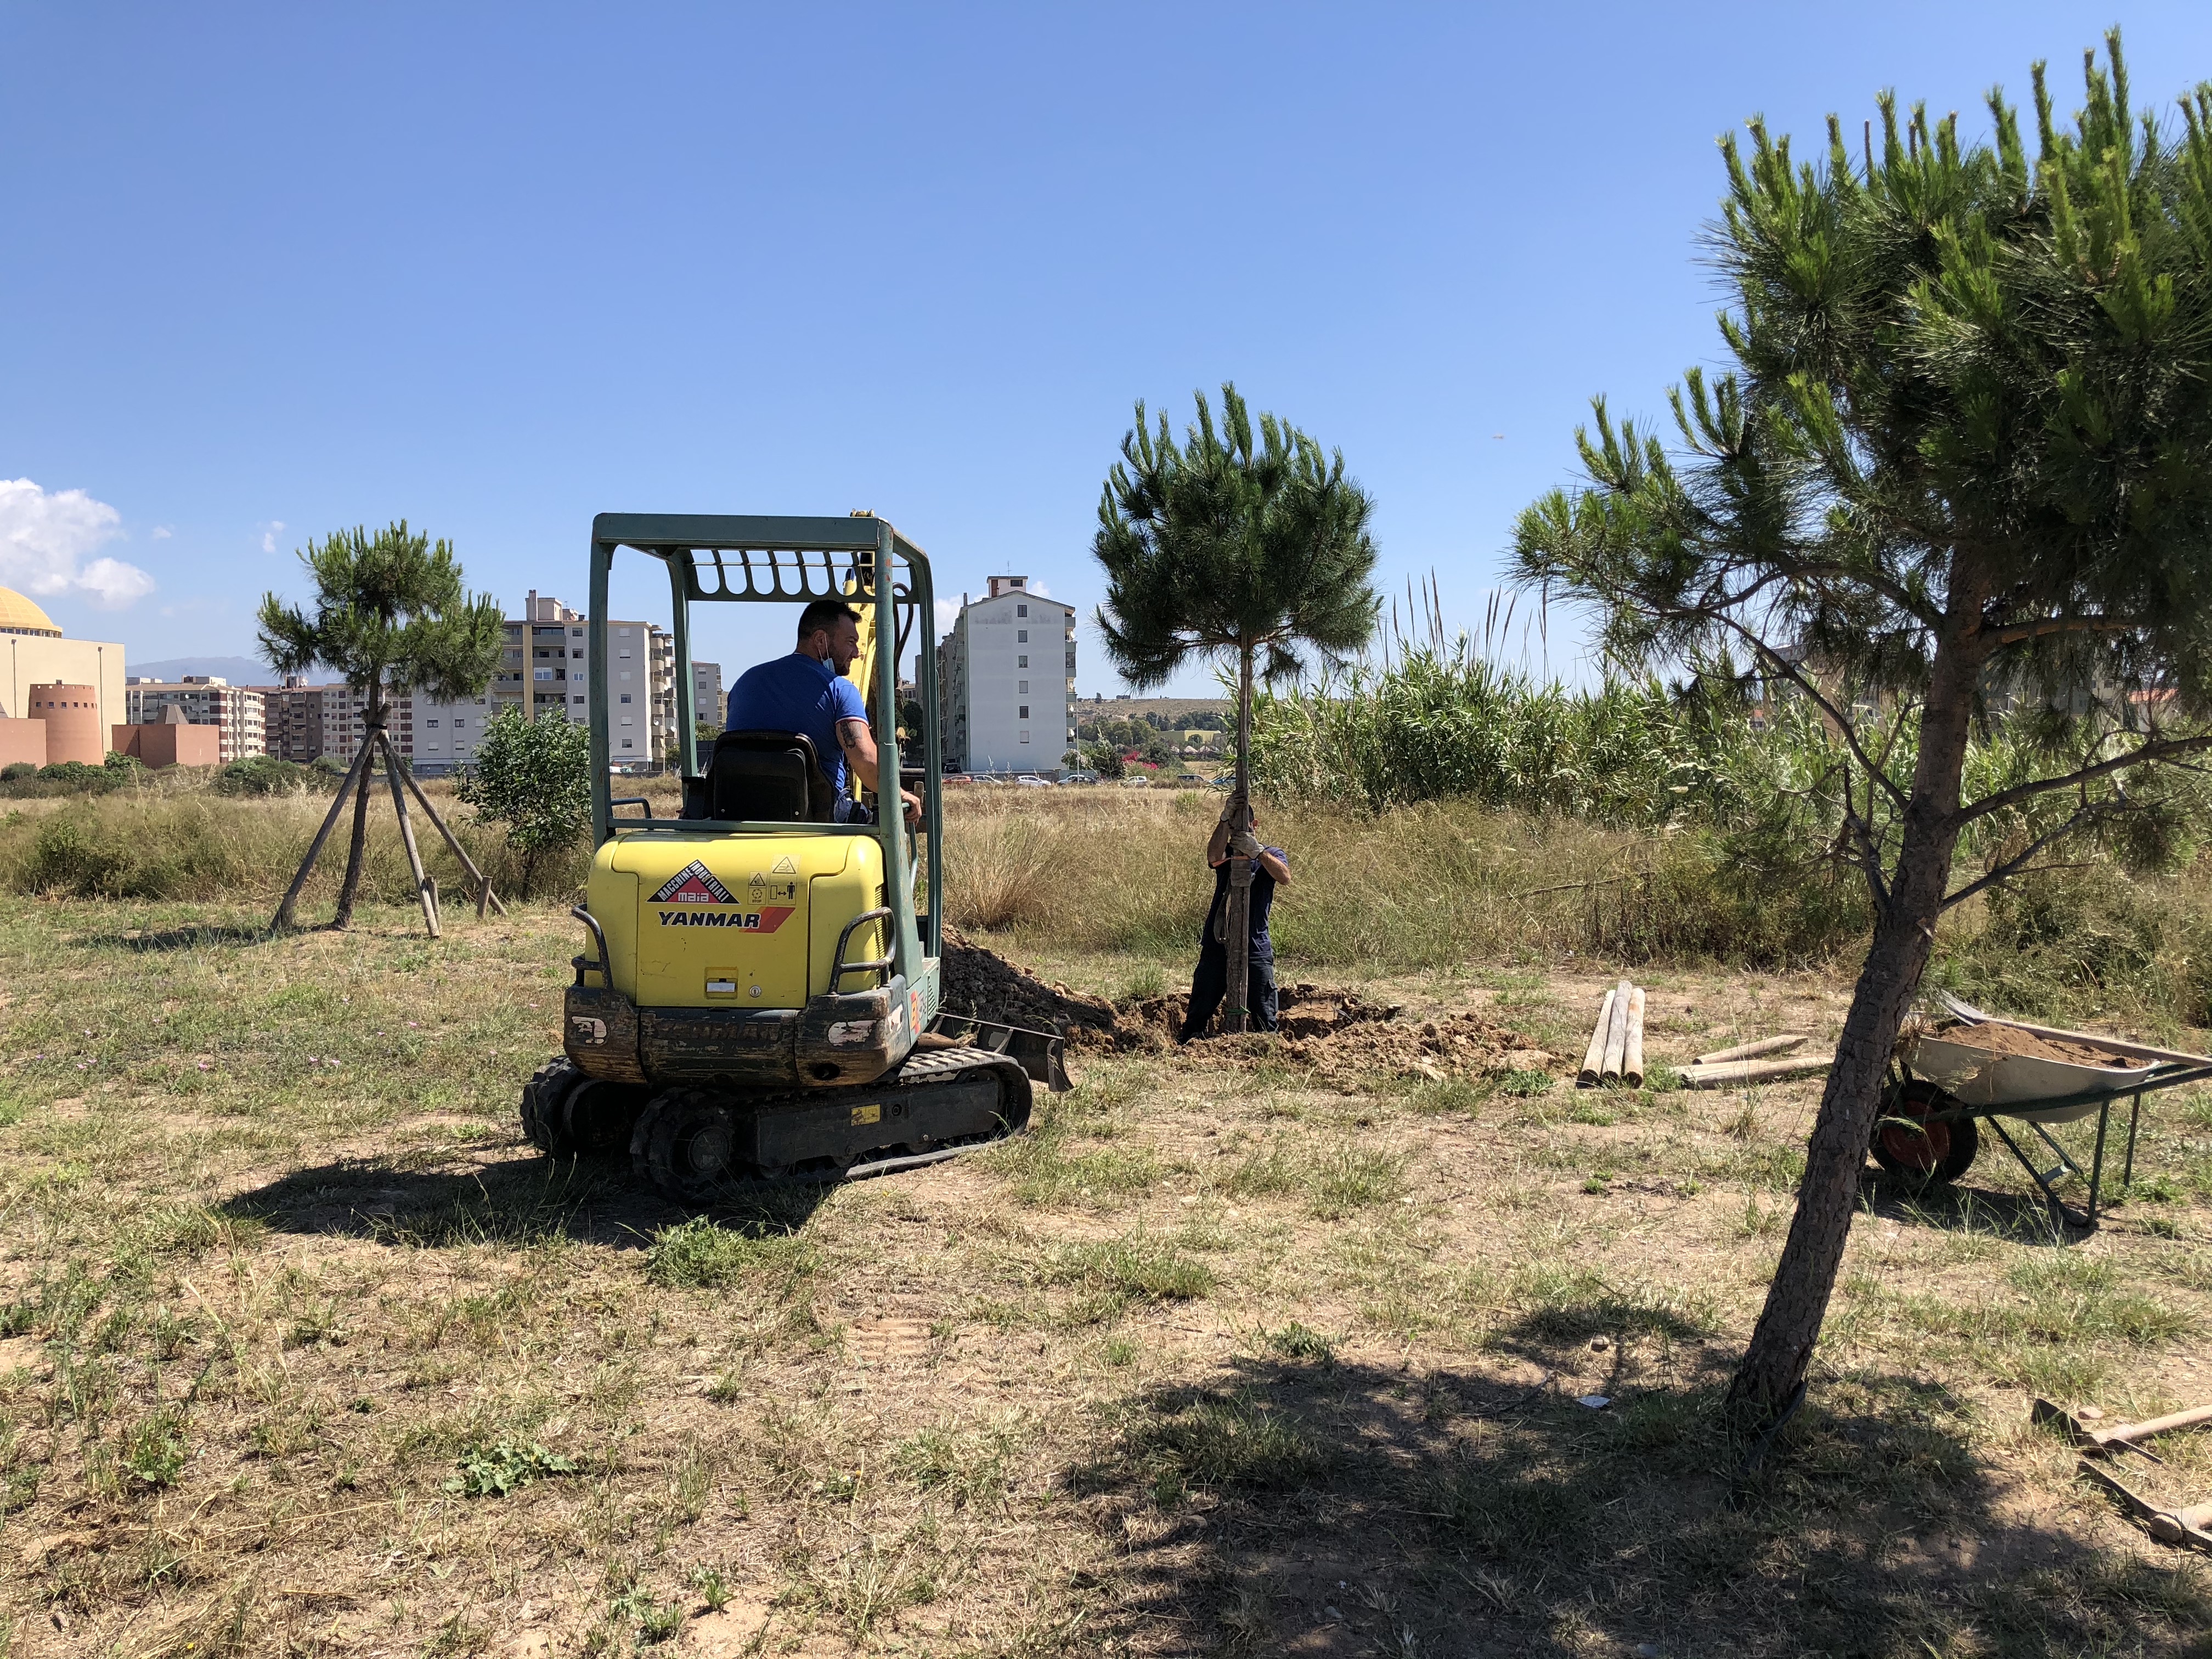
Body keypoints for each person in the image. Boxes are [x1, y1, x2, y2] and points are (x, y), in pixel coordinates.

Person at [725, 597, 919, 826]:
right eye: (850, 642)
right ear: (821, 640)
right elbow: (866, 763)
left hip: (738, 810)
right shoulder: (839, 690)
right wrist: (901, 794)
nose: (857, 653)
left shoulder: (744, 683)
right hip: (817, 816)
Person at [1177, 794, 1290, 1040]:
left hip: (1255, 944)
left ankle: (1266, 1057)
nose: (1239, 830)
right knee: (1198, 1013)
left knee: (1265, 1017)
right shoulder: (1226, 852)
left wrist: (1258, 853)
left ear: (1255, 825)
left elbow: (1284, 877)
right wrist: (1223, 821)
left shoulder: (1271, 854)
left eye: (1244, 825)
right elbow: (1212, 857)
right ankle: (1189, 1047)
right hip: (1219, 942)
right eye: (1234, 826)